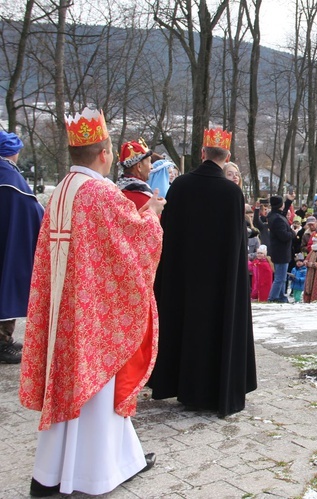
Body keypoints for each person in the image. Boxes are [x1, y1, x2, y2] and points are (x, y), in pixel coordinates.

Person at [19, 107, 164, 496]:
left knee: (70, 385)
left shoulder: (61, 190)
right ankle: (93, 474)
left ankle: (54, 471)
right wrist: (152, 215)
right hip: (93, 313)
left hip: (64, 308)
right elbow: (135, 244)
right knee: (97, 387)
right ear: (104, 153)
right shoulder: (101, 193)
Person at [149, 127, 256, 417]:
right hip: (220, 282)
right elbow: (237, 245)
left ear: (202, 153)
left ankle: (184, 387)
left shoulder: (181, 186)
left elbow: (167, 235)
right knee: (217, 330)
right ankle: (216, 390)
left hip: (184, 280)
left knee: (186, 328)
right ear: (227, 157)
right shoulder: (232, 193)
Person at [0, 130, 44, 363]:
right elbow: (31, 208)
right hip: (10, 243)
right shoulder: (9, 177)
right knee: (5, 286)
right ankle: (2, 341)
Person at [267, 194, 296, 302]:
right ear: (280, 205)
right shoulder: (277, 219)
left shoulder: (273, 215)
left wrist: (289, 201)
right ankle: (273, 297)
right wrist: (293, 233)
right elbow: (284, 236)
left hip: (279, 251)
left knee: (281, 277)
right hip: (281, 251)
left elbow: (282, 214)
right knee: (280, 278)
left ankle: (281, 296)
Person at [115, 139, 154, 209]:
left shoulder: (115, 191)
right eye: (150, 162)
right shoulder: (144, 196)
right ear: (139, 166)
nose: (152, 167)